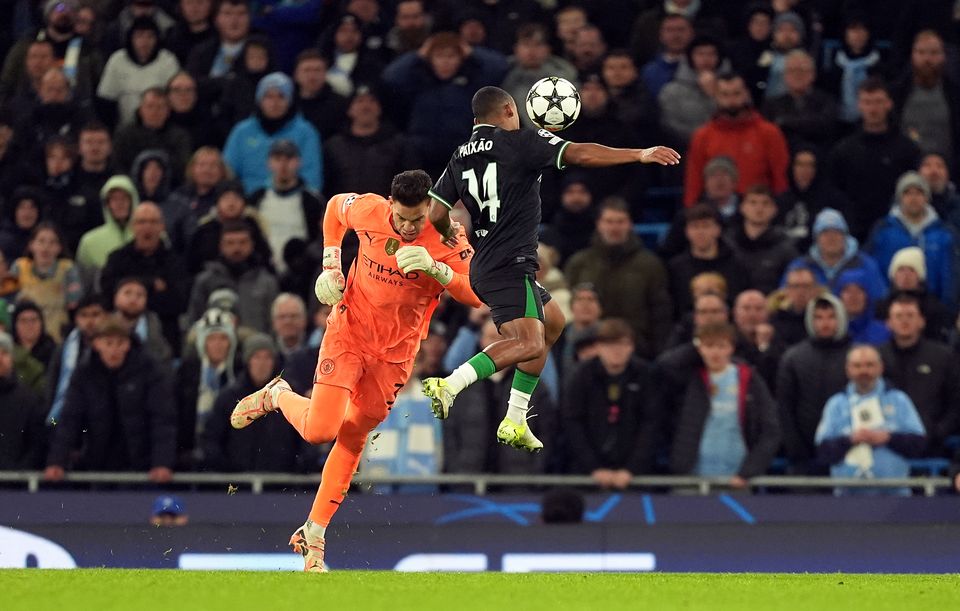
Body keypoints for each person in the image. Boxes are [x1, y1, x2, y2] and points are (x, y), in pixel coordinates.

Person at [227, 170, 481, 572]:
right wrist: (331, 264)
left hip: (395, 355)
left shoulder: (448, 236)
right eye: (401, 218)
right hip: (348, 332)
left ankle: (314, 533)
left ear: (431, 207)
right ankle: (277, 394)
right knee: (319, 430)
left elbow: (476, 293)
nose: (408, 227)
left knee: (354, 433)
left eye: (417, 220)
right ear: (391, 205)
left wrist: (439, 271)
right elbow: (333, 210)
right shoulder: (370, 209)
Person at [423, 85, 679, 452]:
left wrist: (451, 235)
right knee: (527, 341)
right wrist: (639, 154)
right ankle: (450, 384)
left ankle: (515, 417)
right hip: (510, 265)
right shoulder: (521, 142)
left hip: (489, 263)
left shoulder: (460, 155)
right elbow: (582, 155)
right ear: (511, 109)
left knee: (554, 322)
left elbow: (435, 214)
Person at [44, 315, 176, 482]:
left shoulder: (149, 370)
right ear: (97, 344)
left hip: (141, 465)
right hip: (98, 462)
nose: (114, 350)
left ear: (128, 344)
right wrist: (57, 461)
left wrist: (162, 462)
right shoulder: (84, 373)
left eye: (120, 343)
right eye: (108, 343)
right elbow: (70, 419)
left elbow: (162, 419)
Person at [669, 322, 781, 486]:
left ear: (732, 348)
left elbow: (771, 430)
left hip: (736, 477)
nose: (715, 352)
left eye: (721, 346)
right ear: (699, 348)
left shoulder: (749, 379)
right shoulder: (686, 379)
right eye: (709, 346)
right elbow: (664, 364)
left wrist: (749, 471)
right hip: (690, 476)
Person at [564, 197, 671, 357]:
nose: (614, 227)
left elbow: (661, 313)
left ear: (630, 224)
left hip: (637, 350)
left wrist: (658, 352)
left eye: (620, 221)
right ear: (599, 224)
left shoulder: (650, 264)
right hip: (586, 350)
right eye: (609, 221)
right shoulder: (579, 263)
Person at [815, 344, 926, 495]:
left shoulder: (899, 400)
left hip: (895, 497)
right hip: (846, 497)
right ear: (848, 370)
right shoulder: (836, 404)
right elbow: (823, 451)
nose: (864, 371)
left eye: (870, 365)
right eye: (857, 366)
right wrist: (850, 440)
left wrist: (888, 438)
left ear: (880, 367)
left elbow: (918, 444)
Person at [561, 318, 661, 484]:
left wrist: (631, 469)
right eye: (610, 345)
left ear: (632, 347)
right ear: (598, 347)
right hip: (586, 475)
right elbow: (572, 423)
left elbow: (651, 423)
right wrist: (593, 467)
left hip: (636, 476)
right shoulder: (581, 376)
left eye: (623, 344)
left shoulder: (645, 375)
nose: (617, 351)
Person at [826, 77, 921, 242]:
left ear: (889, 104)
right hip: (855, 232)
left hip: (898, 231)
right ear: (859, 105)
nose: (873, 109)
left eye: (878, 102)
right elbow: (835, 193)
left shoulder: (908, 149)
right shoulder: (843, 150)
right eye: (867, 102)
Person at [683, 72, 790, 206]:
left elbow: (780, 178)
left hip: (759, 210)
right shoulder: (702, 136)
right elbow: (694, 181)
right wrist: (691, 210)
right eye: (725, 95)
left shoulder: (769, 133)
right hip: (717, 213)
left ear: (746, 94)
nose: (731, 100)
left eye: (736, 93)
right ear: (716, 96)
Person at [776, 293, 851, 474]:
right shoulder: (793, 358)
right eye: (818, 317)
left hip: (849, 453)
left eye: (831, 317)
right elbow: (784, 407)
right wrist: (795, 449)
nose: (825, 323)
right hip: (803, 456)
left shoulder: (857, 357)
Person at [880, 294, 960, 456]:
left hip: (932, 445)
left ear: (922, 321)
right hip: (884, 445)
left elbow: (956, 401)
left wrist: (938, 432)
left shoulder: (943, 357)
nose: (904, 321)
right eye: (899, 316)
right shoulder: (875, 358)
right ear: (888, 323)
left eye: (910, 315)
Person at [866, 171, 956, 309]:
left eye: (919, 192)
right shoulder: (883, 231)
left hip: (932, 310)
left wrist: (946, 309)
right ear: (899, 197)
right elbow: (874, 272)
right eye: (907, 192)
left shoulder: (943, 234)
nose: (913, 198)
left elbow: (949, 278)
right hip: (890, 310)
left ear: (926, 198)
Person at [725, 184, 797, 294]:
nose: (759, 209)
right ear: (742, 208)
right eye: (753, 203)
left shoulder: (785, 247)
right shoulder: (728, 243)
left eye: (765, 203)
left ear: (774, 210)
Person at [0, 331, 46, 470]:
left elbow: (37, 443)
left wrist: (18, 473)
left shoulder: (29, 400)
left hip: (17, 486)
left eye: (4, 353)